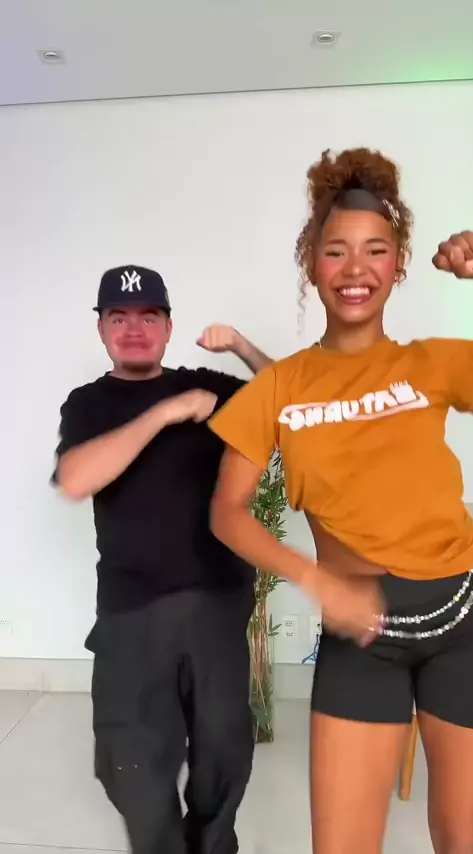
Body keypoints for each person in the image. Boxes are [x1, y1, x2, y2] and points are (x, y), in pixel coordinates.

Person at [207, 148, 473, 853]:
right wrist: (316, 579)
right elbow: (226, 511)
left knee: (466, 838)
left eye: (375, 250)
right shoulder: (280, 386)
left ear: (399, 263)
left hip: (465, 620)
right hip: (362, 636)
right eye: (336, 251)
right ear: (312, 264)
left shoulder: (432, 362)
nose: (356, 268)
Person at [52, 264, 272, 854]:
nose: (134, 329)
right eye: (118, 317)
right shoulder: (88, 403)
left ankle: (213, 845)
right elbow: (75, 478)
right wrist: (166, 412)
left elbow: (295, 402)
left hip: (216, 601)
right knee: (130, 764)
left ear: (168, 327)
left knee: (224, 752)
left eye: (149, 317)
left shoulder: (209, 384)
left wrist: (242, 346)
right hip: (132, 611)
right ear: (101, 328)